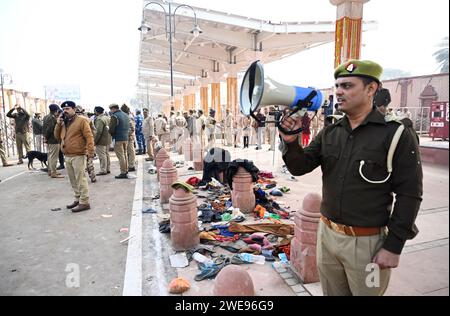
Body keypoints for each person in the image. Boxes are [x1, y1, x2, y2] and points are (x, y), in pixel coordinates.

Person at [280, 60, 423, 296]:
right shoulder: (331, 132)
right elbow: (300, 167)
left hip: (367, 244)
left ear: (371, 89)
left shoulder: (397, 134)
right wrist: (290, 141)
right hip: (326, 237)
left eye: (347, 85)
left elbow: (409, 195)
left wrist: (394, 246)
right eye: (337, 85)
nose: (338, 91)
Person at [54, 101, 95, 213]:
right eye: (64, 109)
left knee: (80, 178)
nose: (65, 111)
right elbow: (56, 136)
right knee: (73, 179)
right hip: (67, 154)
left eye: (67, 108)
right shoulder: (64, 122)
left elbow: (89, 136)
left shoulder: (81, 120)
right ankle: (77, 198)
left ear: (74, 109)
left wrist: (90, 152)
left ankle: (84, 202)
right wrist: (58, 124)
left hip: (79, 154)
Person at [109, 104, 130, 179]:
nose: (110, 111)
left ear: (113, 109)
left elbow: (111, 129)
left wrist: (109, 131)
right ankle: (126, 170)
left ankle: (123, 172)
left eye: (110, 109)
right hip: (125, 137)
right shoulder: (126, 115)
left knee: (120, 156)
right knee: (125, 154)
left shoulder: (114, 116)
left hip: (118, 138)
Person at [43, 104, 64, 178]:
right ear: (56, 110)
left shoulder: (46, 117)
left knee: (50, 156)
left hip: (49, 140)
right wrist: (46, 137)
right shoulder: (52, 118)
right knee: (54, 157)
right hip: (53, 139)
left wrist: (45, 137)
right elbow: (50, 129)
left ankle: (50, 170)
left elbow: (44, 128)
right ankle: (53, 172)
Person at [94, 107, 111, 176]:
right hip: (107, 139)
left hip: (101, 140)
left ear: (96, 111)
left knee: (102, 155)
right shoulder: (107, 118)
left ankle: (103, 169)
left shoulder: (99, 119)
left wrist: (95, 141)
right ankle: (107, 168)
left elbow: (98, 132)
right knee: (106, 154)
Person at [121, 104, 136, 173]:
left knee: (131, 151)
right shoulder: (126, 117)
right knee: (127, 152)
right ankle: (129, 165)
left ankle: (131, 165)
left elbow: (132, 129)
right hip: (126, 137)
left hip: (129, 137)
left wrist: (126, 135)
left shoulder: (129, 118)